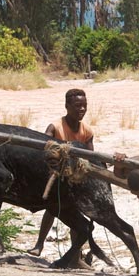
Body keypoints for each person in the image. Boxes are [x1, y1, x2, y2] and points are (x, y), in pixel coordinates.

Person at [27, 89, 94, 257]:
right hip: (56, 175)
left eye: (84, 105)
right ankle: (39, 244)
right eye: (77, 105)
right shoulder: (55, 127)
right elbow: (43, 148)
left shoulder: (87, 131)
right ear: (67, 106)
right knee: (51, 208)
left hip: (76, 177)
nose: (82, 109)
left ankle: (76, 254)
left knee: (76, 214)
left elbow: (91, 158)